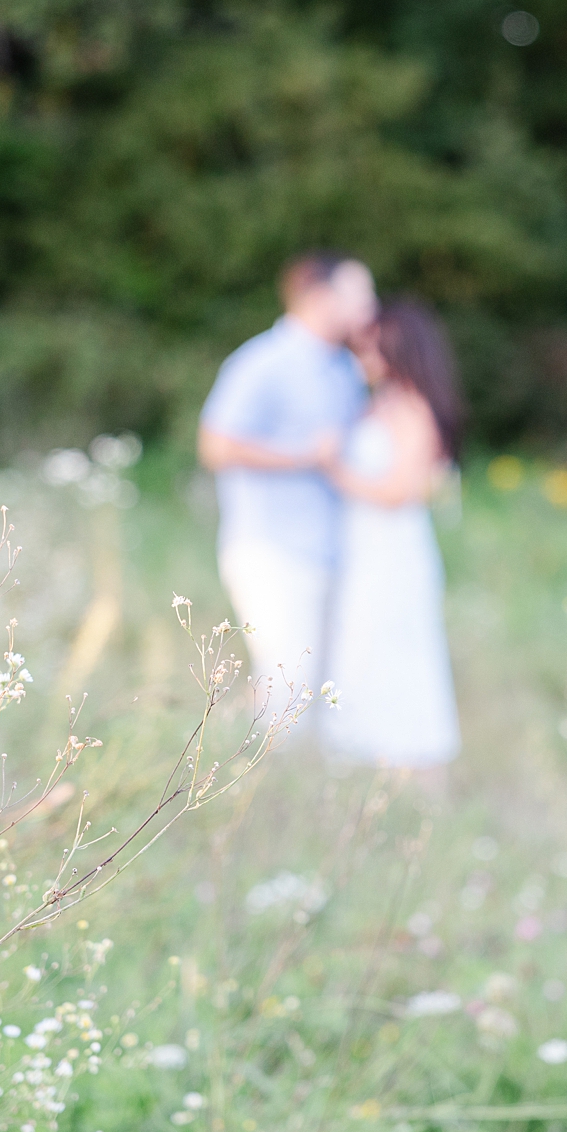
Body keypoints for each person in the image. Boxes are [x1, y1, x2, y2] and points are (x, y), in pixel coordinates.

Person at [197, 251, 377, 718]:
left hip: (334, 549)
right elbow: (215, 446)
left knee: (323, 694)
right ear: (320, 297)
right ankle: (246, 784)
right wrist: (303, 456)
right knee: (283, 690)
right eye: (360, 293)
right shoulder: (262, 361)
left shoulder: (345, 368)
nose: (369, 305)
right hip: (273, 549)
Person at [319, 297, 463, 770]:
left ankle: (409, 761)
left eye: (373, 349)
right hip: (362, 545)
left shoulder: (413, 408)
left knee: (393, 651)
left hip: (392, 547)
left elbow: (401, 491)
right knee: (359, 650)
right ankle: (360, 756)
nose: (364, 360)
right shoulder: (379, 403)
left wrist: (333, 468)